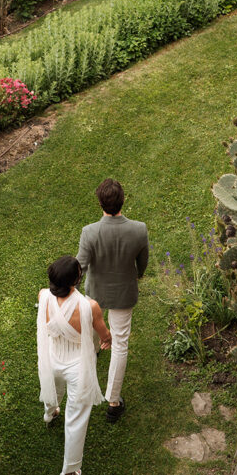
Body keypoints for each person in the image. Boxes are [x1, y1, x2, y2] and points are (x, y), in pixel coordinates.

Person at [77, 178, 149, 423]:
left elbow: (81, 267)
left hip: (95, 291)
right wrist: (136, 275)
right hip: (123, 293)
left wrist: (68, 291)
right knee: (120, 344)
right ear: (123, 200)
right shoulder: (139, 229)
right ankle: (113, 402)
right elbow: (142, 264)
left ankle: (94, 351)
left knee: (90, 329)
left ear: (100, 204)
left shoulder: (89, 232)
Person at [37, 255, 111, 475]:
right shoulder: (89, 306)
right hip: (78, 366)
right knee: (77, 418)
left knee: (53, 385)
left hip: (53, 358)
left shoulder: (42, 295)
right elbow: (103, 333)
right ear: (76, 279)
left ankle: (50, 412)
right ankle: (69, 473)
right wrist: (107, 341)